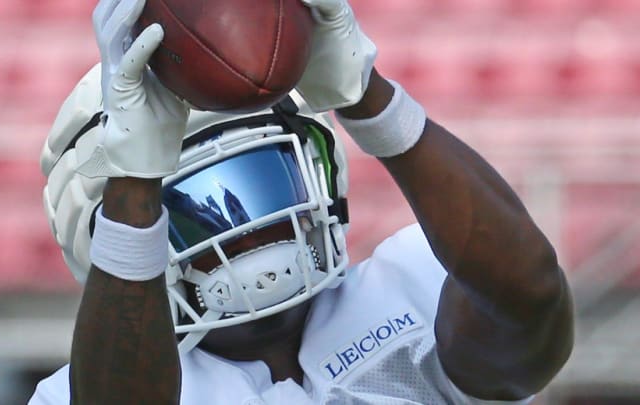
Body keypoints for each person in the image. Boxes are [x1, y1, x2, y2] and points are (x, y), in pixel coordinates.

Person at [30, 0, 574, 403]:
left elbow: (530, 299)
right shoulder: (86, 389)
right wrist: (132, 177)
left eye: (265, 182)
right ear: (110, 227)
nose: (249, 230)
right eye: (199, 211)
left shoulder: (411, 286)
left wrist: (367, 97)